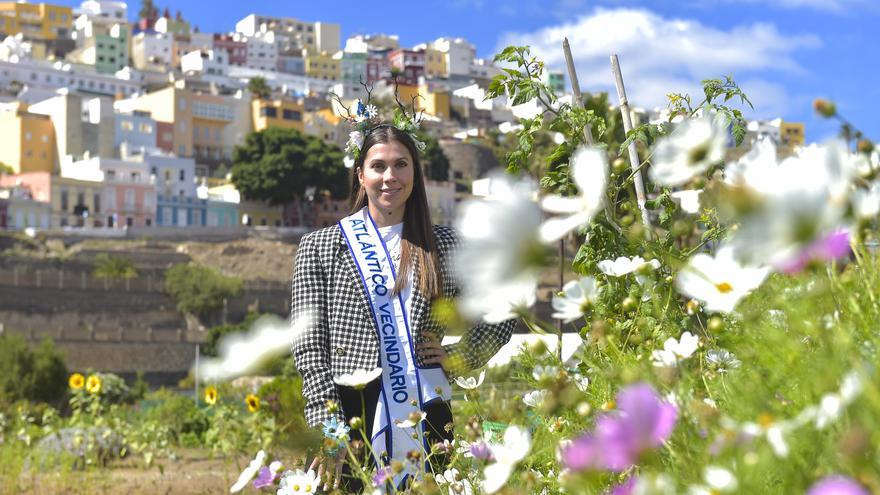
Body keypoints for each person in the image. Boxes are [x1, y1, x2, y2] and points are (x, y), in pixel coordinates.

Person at [290, 124, 515, 491]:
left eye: (401, 164)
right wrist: (327, 431)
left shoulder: (443, 244)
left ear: (415, 173)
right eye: (378, 166)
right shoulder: (320, 247)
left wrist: (460, 356)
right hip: (348, 418)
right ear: (361, 174)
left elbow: (503, 304)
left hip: (426, 412)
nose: (389, 176)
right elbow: (309, 348)